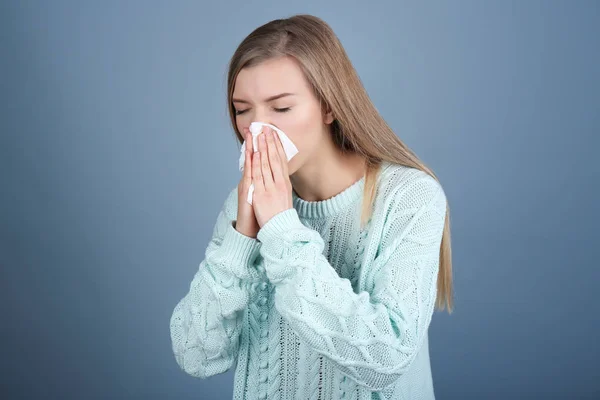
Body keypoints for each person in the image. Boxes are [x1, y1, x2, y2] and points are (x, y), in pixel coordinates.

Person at [170, 14, 453, 400]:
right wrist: (240, 241)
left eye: (280, 109)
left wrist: (282, 230)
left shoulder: (409, 198)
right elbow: (196, 355)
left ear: (329, 107)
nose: (257, 129)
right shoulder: (241, 208)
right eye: (242, 110)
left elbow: (387, 356)